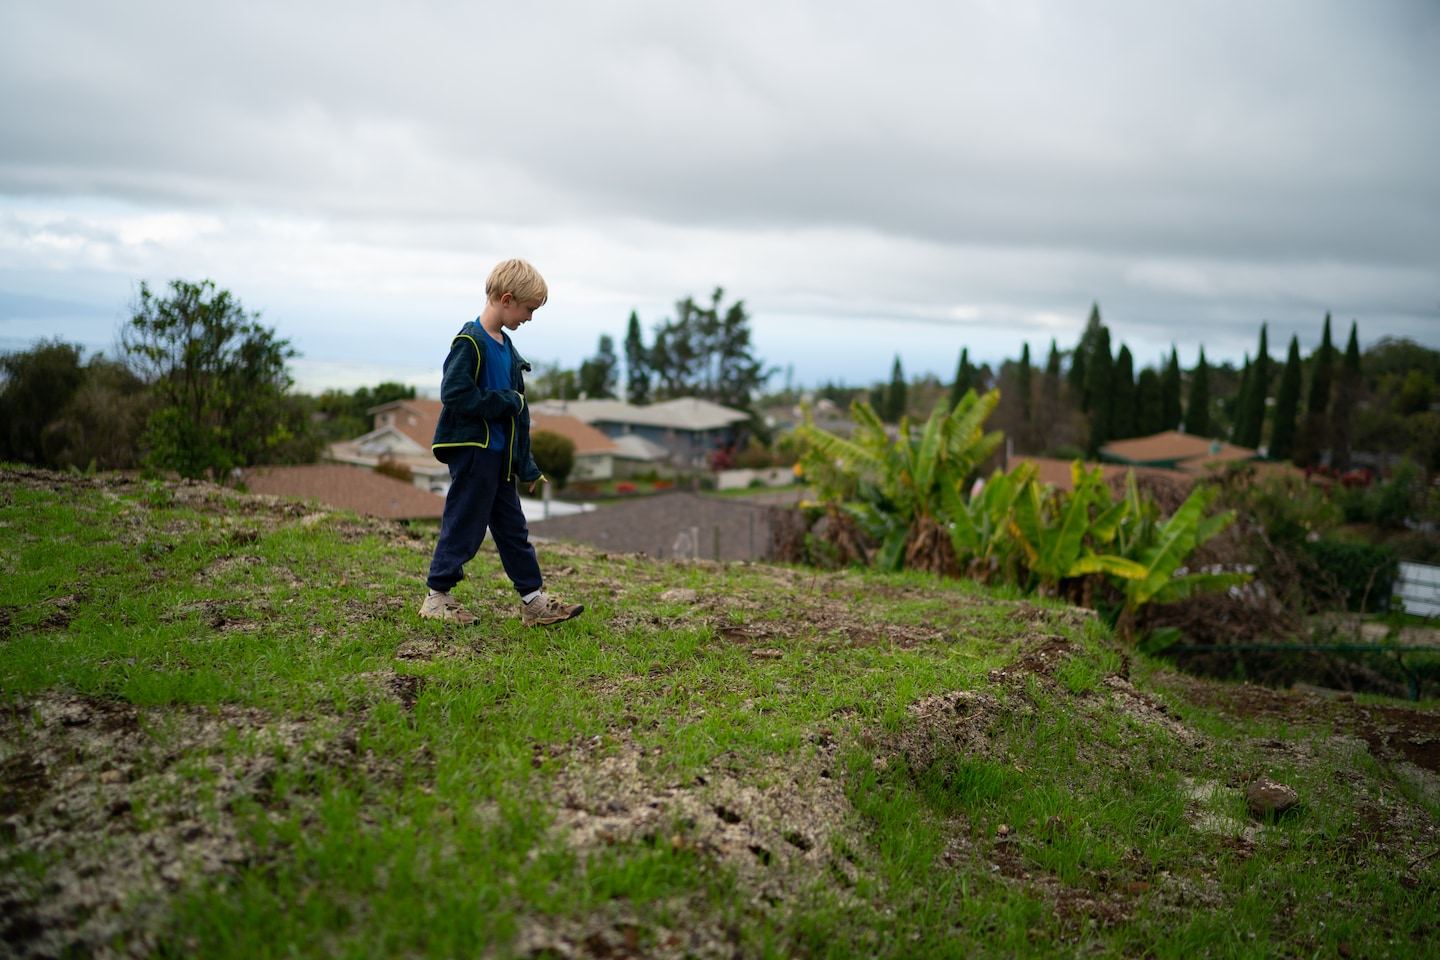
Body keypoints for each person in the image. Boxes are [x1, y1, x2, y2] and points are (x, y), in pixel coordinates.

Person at [419, 258, 585, 627]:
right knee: (464, 524)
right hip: (474, 454)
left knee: (513, 529)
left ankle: (533, 601)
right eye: (528, 309)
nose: (530, 318)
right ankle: (436, 598)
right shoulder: (470, 342)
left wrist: (527, 464)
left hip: (501, 459)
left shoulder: (508, 349)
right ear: (507, 299)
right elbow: (454, 394)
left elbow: (519, 414)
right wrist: (504, 401)